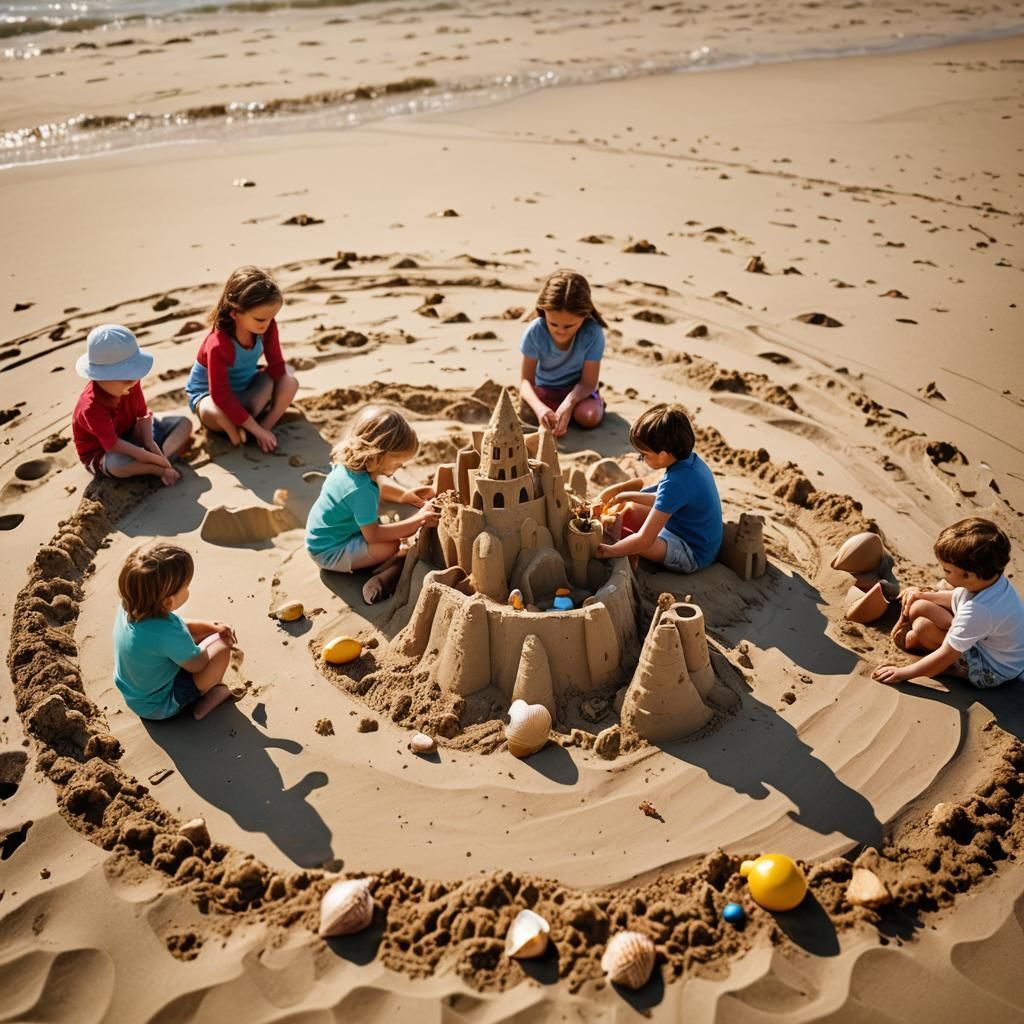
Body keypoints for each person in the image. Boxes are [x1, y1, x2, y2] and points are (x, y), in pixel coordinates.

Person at [306, 406, 438, 605]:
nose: (399, 468)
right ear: (377, 455)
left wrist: (404, 496)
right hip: (328, 551)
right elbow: (374, 535)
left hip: (326, 536)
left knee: (393, 522)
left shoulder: (353, 467)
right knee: (390, 546)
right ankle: (390, 571)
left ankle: (392, 560)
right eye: (397, 463)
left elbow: (378, 486)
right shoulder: (359, 490)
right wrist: (419, 519)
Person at [873, 517, 1024, 687]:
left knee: (923, 628)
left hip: (991, 670)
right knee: (921, 607)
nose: (944, 574)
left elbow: (946, 653)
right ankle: (949, 636)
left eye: (947, 570)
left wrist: (902, 673)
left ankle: (955, 671)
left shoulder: (979, 611)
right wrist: (922, 596)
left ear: (968, 575)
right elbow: (957, 597)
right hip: (994, 649)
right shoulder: (991, 581)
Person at [113, 542, 237, 721]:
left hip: (136, 696)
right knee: (222, 645)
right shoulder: (166, 631)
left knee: (200, 637)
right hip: (161, 705)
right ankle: (209, 696)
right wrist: (214, 637)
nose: (188, 589)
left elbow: (179, 627)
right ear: (168, 603)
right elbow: (198, 664)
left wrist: (211, 626)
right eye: (186, 587)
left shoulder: (129, 607)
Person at [595, 403, 723, 573]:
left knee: (627, 539)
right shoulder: (689, 462)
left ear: (663, 454)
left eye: (645, 455)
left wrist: (609, 551)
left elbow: (644, 540)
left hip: (691, 552)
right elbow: (664, 500)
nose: (642, 459)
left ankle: (623, 554)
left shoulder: (677, 482)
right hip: (690, 533)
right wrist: (625, 495)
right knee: (629, 511)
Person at [186, 266, 299, 453]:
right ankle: (237, 437)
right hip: (210, 397)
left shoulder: (267, 327)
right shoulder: (219, 343)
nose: (268, 324)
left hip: (244, 389)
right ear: (235, 313)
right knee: (214, 410)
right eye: (260, 319)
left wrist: (279, 388)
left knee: (290, 382)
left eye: (272, 317)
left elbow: (277, 366)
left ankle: (264, 427)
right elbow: (220, 396)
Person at [72, 324, 192, 486]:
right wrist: (151, 461)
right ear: (99, 376)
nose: (134, 381)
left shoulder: (131, 382)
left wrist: (151, 445)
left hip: (132, 432)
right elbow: (112, 444)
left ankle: (159, 461)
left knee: (184, 423)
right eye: (126, 378)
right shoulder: (91, 407)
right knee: (117, 465)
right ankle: (153, 469)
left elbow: (143, 415)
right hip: (105, 451)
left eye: (135, 374)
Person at [519, 269, 606, 437]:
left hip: (578, 392)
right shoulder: (535, 331)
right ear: (543, 311)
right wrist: (540, 409)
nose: (560, 331)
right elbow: (525, 382)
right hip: (544, 390)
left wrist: (570, 402)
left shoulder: (592, 333)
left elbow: (588, 383)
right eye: (553, 324)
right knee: (531, 415)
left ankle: (594, 404)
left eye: (569, 326)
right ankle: (558, 414)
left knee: (589, 416)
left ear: (584, 315)